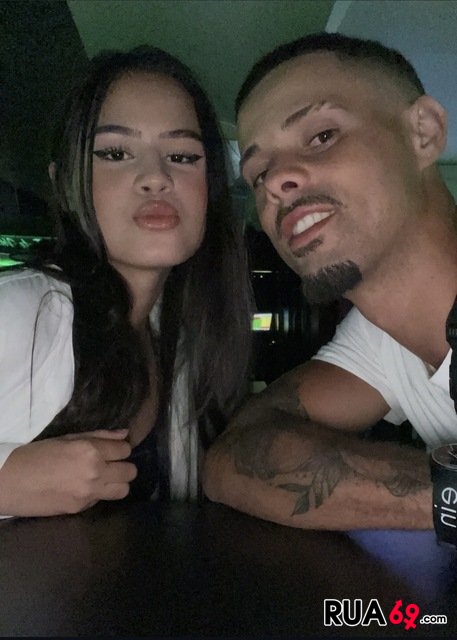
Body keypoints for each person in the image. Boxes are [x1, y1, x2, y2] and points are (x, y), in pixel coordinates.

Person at [202, 32, 457, 530]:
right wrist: (445, 495)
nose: (276, 182)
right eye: (258, 174)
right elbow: (235, 456)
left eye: (322, 136)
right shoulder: (382, 338)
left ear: (423, 133)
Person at [0, 46, 252, 517]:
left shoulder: (179, 340)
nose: (155, 177)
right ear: (64, 182)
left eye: (182, 155)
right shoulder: (20, 314)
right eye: (116, 153)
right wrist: (7, 482)